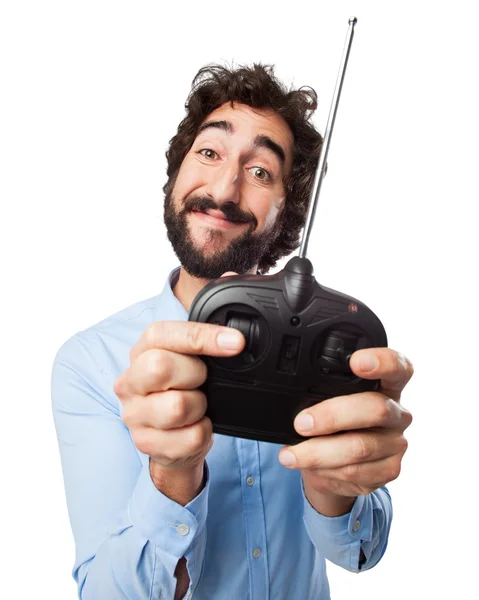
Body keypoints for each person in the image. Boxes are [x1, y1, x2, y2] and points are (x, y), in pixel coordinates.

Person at [51, 63, 413, 600]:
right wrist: (173, 473)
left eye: (262, 171)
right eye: (209, 152)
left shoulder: (333, 348)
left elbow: (360, 551)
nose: (224, 188)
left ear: (289, 210)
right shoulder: (91, 362)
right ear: (177, 172)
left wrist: (336, 487)